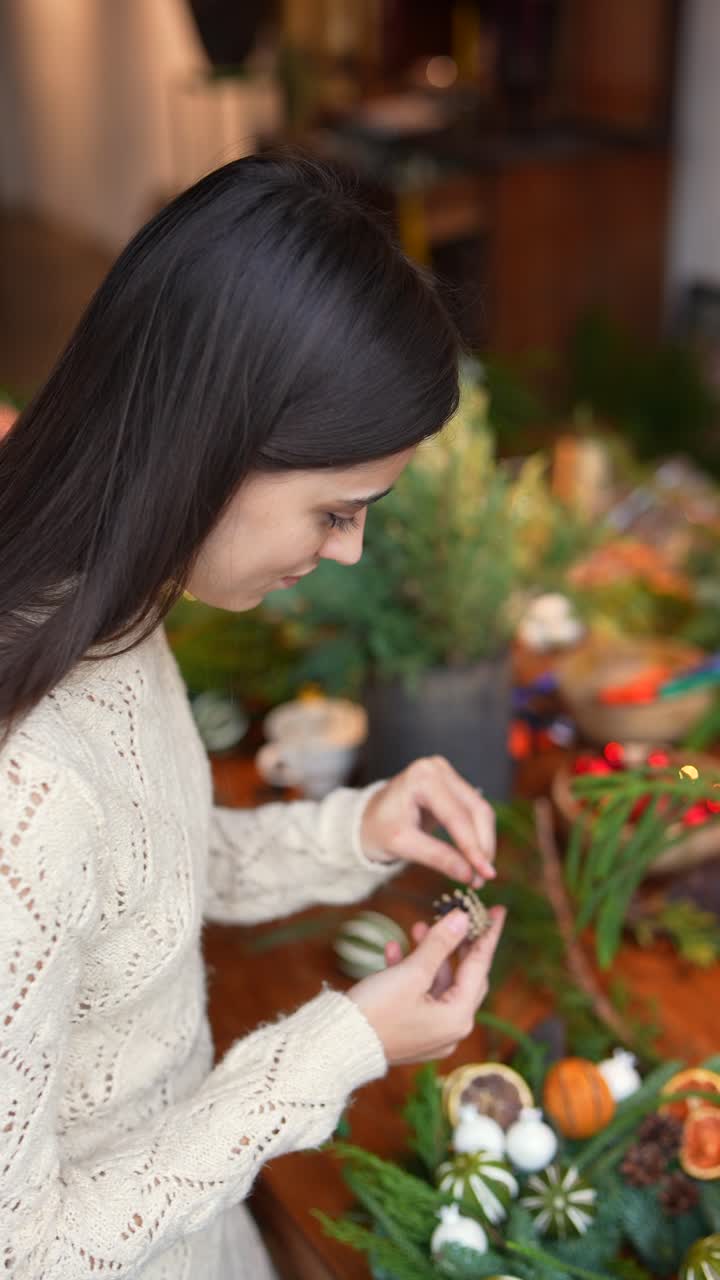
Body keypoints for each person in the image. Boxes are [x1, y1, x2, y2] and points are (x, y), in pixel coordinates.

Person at [0, 153, 505, 1280]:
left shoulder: (104, 617)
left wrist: (357, 831)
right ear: (212, 444)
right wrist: (344, 1043)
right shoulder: (24, 787)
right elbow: (22, 1248)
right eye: (334, 511)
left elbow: (145, 881)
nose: (349, 551)